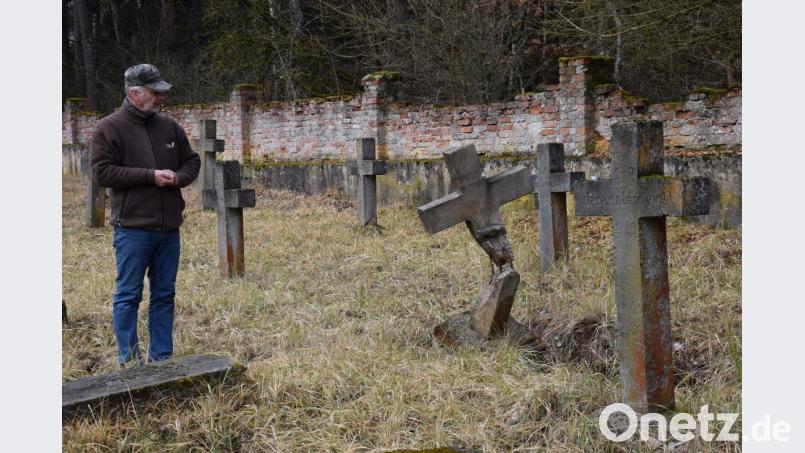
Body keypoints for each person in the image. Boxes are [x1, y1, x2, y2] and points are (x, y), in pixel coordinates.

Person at [91, 64, 200, 366]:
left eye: (163, 91)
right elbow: (102, 173)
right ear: (135, 93)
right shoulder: (109, 128)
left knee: (164, 296)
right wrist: (150, 176)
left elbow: (192, 162)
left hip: (169, 229)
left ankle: (161, 360)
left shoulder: (170, 127)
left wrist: (178, 178)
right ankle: (130, 362)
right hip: (133, 229)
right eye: (155, 92)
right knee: (128, 296)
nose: (162, 97)